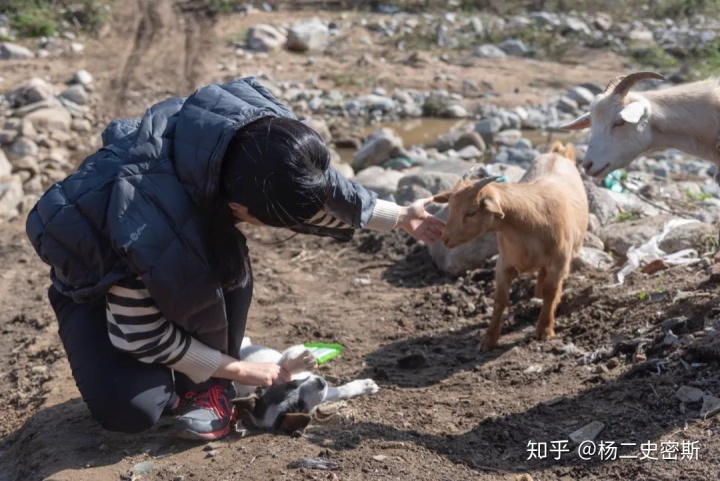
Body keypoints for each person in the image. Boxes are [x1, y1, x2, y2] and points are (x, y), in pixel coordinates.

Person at [25, 77, 445, 441]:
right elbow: (140, 333)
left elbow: (315, 187)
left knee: (227, 270)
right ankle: (198, 369)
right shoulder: (148, 228)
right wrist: (239, 371)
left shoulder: (254, 141)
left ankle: (203, 380)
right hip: (102, 277)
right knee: (133, 412)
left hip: (168, 238)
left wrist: (399, 216)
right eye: (265, 221)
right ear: (239, 207)